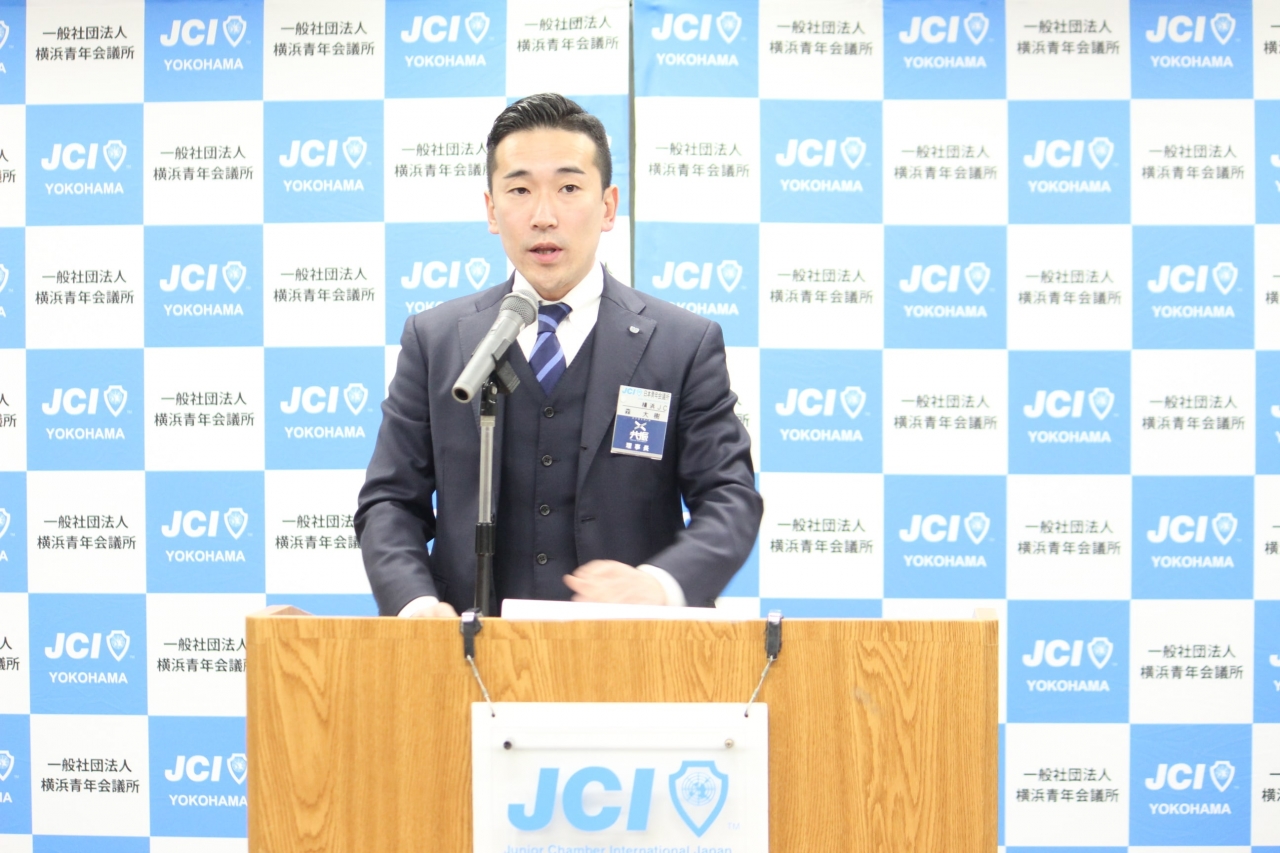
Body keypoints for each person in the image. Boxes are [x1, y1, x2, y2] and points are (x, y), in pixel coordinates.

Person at [355, 93, 762, 617]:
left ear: (608, 206)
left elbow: (731, 497)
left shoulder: (682, 344)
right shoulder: (435, 340)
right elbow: (389, 501)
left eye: (569, 188)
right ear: (492, 210)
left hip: (631, 648)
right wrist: (415, 604)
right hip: (467, 648)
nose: (543, 216)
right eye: (520, 190)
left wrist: (660, 584)